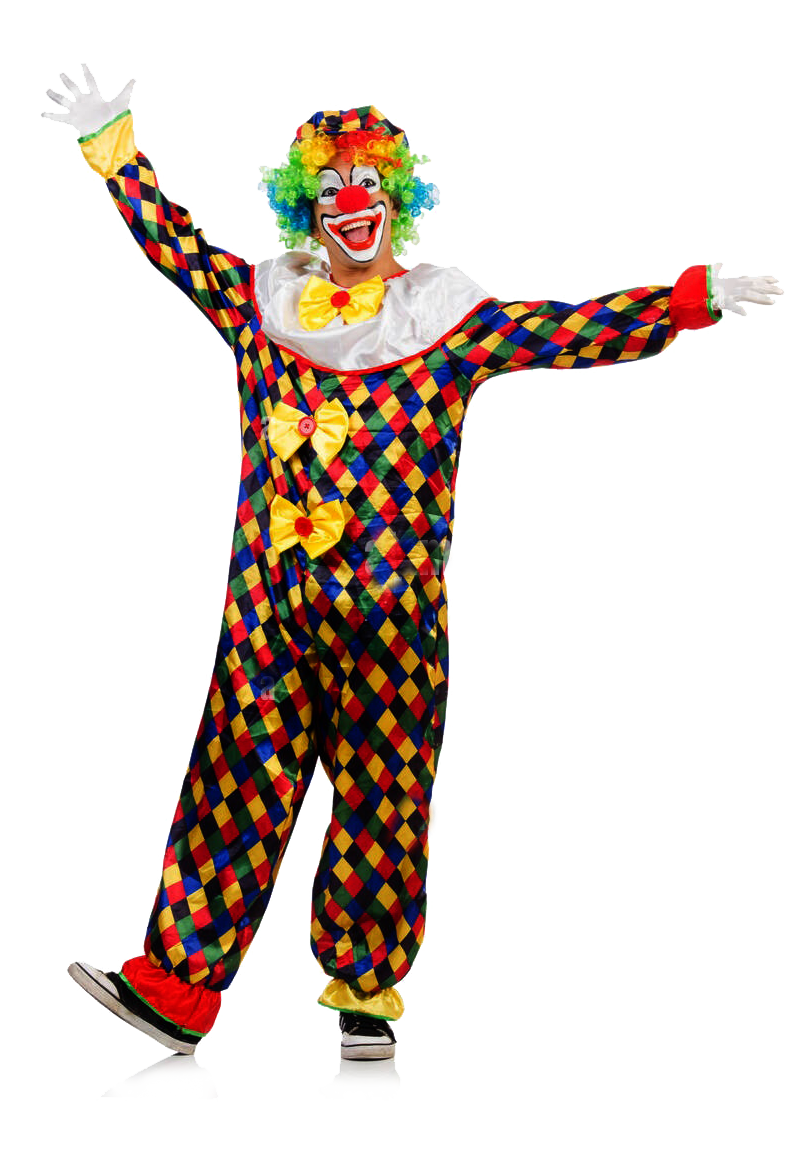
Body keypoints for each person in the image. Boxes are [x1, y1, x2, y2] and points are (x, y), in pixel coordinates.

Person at [42, 63, 782, 1062]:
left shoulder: (444, 319)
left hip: (391, 616)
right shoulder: (263, 305)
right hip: (268, 607)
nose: (351, 201)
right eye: (330, 187)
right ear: (307, 208)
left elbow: (567, 329)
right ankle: (176, 986)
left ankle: (364, 990)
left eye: (368, 183)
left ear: (396, 197)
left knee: (384, 795)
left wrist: (687, 300)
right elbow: (177, 247)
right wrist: (114, 150)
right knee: (232, 780)